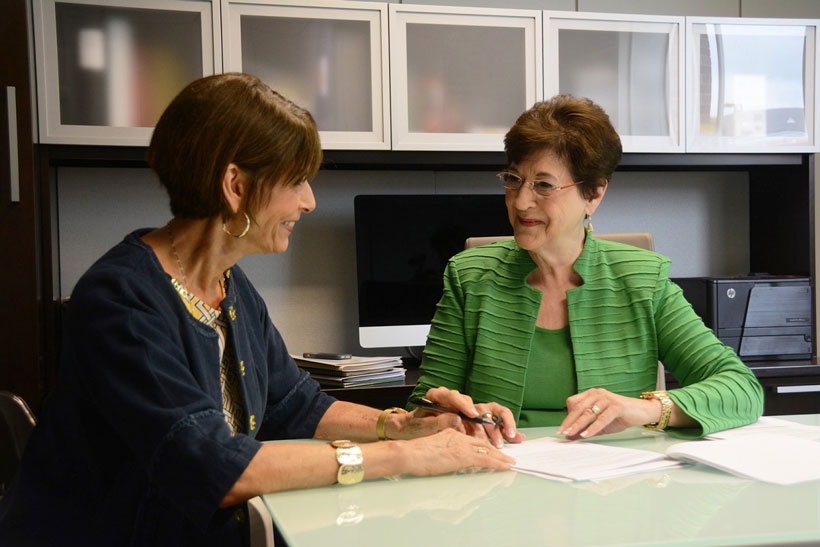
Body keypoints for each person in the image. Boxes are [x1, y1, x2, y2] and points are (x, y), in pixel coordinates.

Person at [0, 73, 514, 547]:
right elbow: (211, 467)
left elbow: (296, 406)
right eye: (296, 181)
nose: (309, 202)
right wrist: (400, 457)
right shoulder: (122, 301)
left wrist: (405, 426)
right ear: (236, 187)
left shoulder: (230, 286)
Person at [410, 94, 763, 442]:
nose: (520, 201)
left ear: (593, 194)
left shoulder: (643, 281)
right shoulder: (469, 277)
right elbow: (423, 408)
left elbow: (742, 389)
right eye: (513, 179)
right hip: (498, 478)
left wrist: (645, 409)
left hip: (610, 488)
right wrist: (453, 415)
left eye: (544, 185)